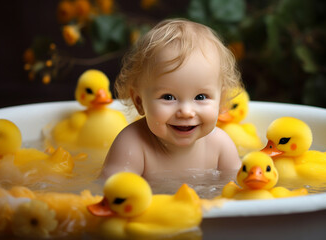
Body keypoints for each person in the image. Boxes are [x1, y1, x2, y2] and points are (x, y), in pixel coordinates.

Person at [101, 18, 243, 180]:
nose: (186, 112)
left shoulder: (220, 146)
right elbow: (111, 193)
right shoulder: (132, 145)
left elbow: (239, 191)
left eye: (201, 97)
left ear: (221, 101)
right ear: (139, 102)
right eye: (168, 97)